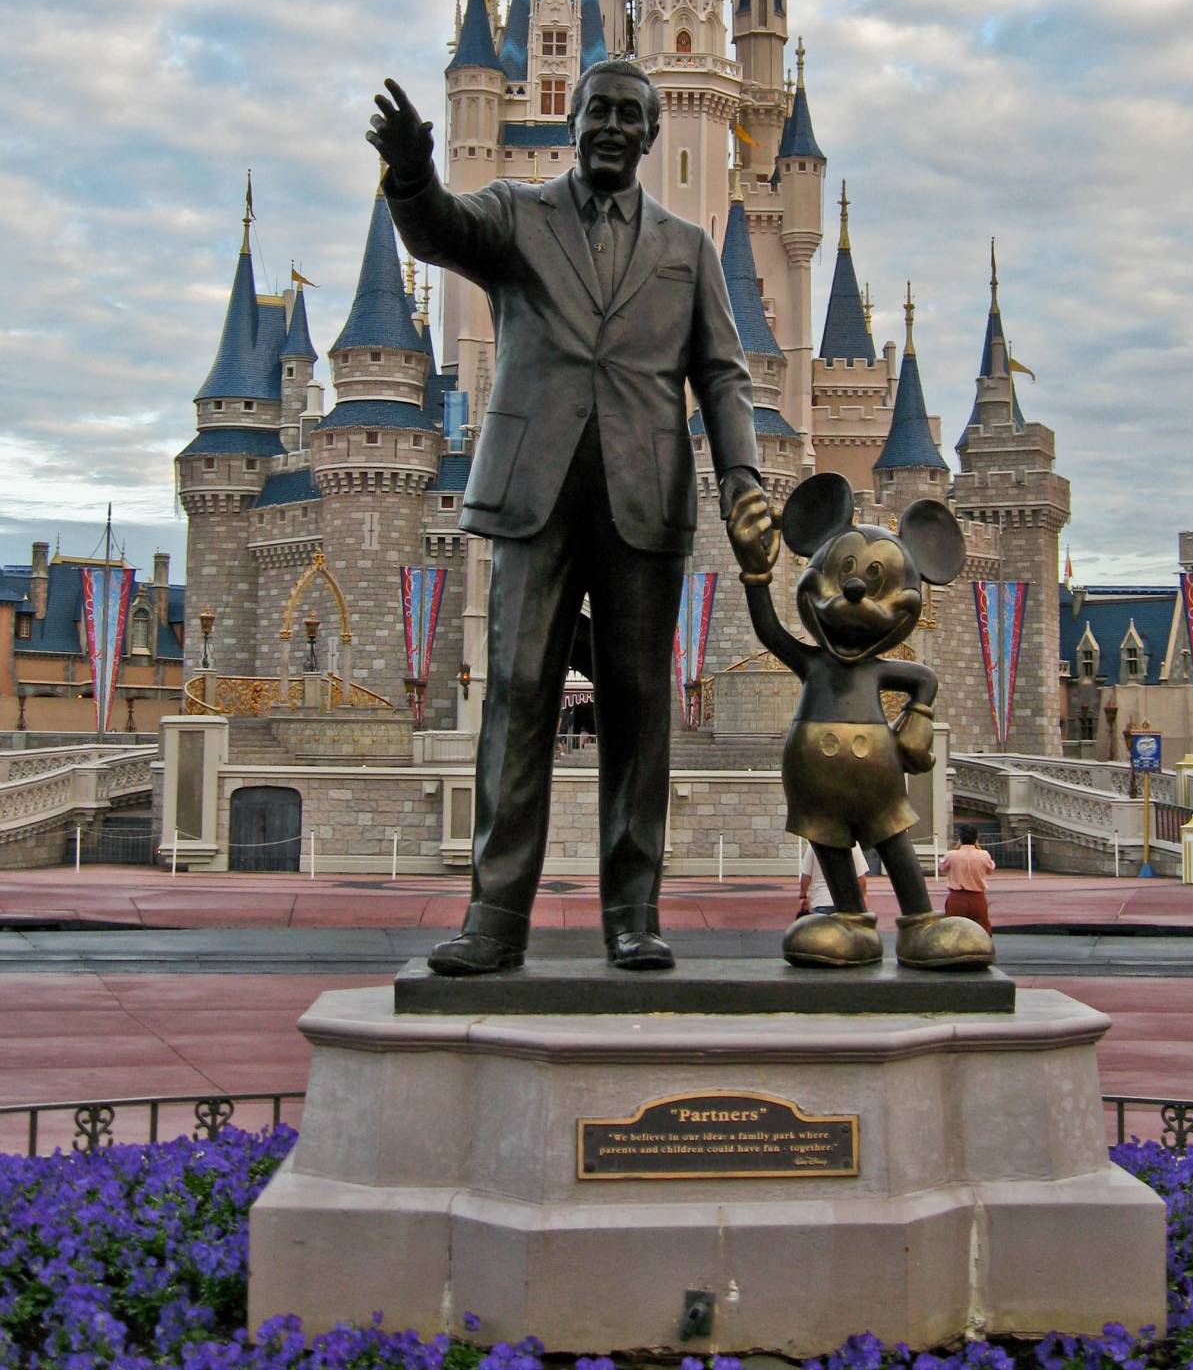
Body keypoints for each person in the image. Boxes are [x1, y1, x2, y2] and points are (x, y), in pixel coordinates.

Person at [368, 63, 775, 975]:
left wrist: (742, 474)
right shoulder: (517, 215)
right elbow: (437, 229)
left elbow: (722, 373)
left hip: (644, 499)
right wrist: (408, 174)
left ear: (654, 133)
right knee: (516, 697)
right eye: (599, 111)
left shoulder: (687, 247)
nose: (613, 127)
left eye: (632, 115)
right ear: (573, 118)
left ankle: (633, 912)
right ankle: (496, 916)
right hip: (532, 494)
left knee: (638, 710)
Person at [939, 823, 995, 934]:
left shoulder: (951, 855)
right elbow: (990, 869)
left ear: (960, 838)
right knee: (982, 932)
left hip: (957, 897)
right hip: (977, 898)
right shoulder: (984, 855)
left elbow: (942, 867)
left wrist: (956, 849)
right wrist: (978, 848)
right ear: (976, 839)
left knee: (952, 931)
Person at [797, 841, 869, 917]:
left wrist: (803, 895)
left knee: (821, 928)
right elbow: (861, 877)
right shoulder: (852, 843)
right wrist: (863, 898)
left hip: (821, 901)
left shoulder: (814, 844)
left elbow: (806, 875)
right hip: (846, 903)